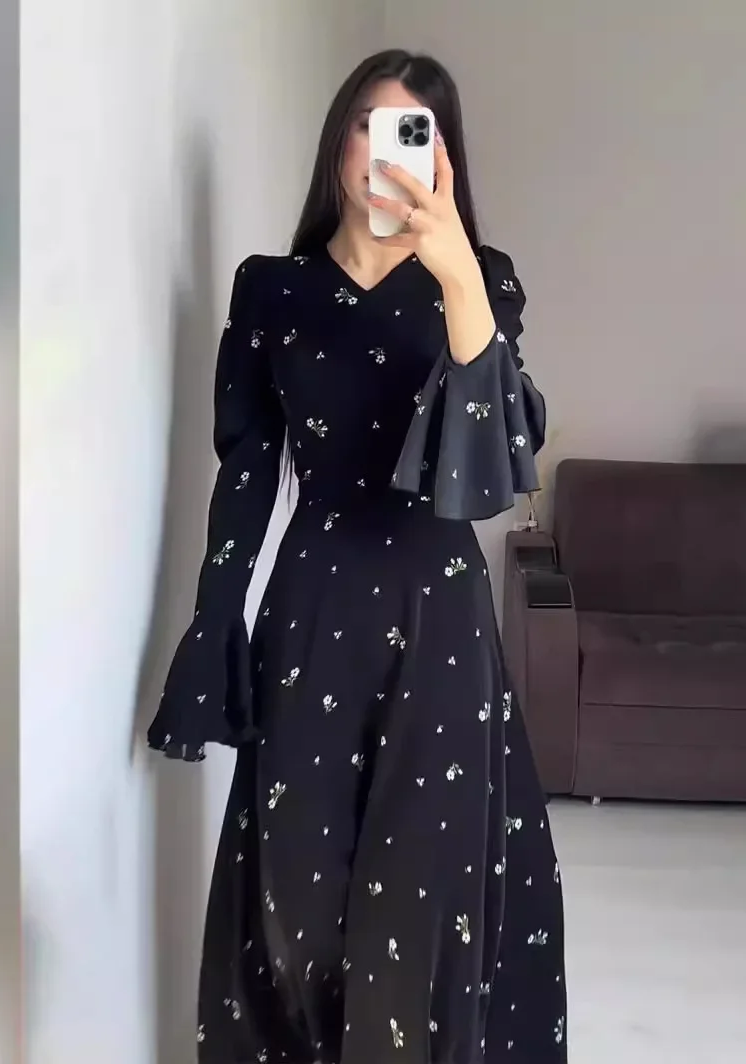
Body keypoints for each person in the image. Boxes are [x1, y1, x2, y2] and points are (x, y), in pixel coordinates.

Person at [148, 49, 568, 1063]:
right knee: (299, 909)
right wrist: (215, 622)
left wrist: (455, 272)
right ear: (338, 140)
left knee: (417, 920)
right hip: (313, 611)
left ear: (442, 160)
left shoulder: (480, 281)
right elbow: (247, 475)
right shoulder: (272, 290)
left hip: (438, 620)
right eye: (369, 126)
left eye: (412, 135)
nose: (385, 154)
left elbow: (493, 469)